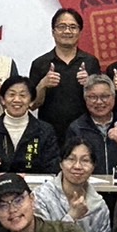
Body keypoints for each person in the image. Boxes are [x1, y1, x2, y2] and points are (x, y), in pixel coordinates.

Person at [27, 7, 101, 143]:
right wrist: (43, 85)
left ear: (80, 32)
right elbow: (32, 105)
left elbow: (100, 103)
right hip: (50, 134)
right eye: (62, 27)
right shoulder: (40, 63)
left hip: (85, 132)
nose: (67, 31)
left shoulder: (91, 62)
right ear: (53, 32)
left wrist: (90, 84)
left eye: (73, 27)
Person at [33, 139, 112, 232]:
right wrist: (72, 216)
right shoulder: (41, 197)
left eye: (85, 160)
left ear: (93, 166)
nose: (77, 166)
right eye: (71, 159)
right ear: (61, 163)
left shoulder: (99, 206)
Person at [0, 76, 60, 173]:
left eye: (23, 95)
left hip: (34, 182)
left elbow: (52, 167)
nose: (17, 99)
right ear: (2, 100)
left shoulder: (45, 130)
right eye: (11, 94)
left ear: (31, 101)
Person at [65, 73, 117, 175]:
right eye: (92, 97)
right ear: (85, 99)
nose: (99, 102)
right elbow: (69, 163)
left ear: (114, 97)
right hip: (87, 183)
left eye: (104, 96)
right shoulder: (76, 128)